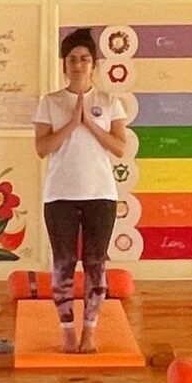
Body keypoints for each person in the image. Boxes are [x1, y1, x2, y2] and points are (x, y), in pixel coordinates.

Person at [33, 28, 130, 354]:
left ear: (94, 64)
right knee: (62, 263)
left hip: (100, 194)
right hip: (59, 194)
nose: (78, 64)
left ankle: (90, 330)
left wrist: (89, 122)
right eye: (72, 59)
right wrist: (71, 123)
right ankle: (66, 331)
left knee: (94, 263)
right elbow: (42, 147)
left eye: (84, 59)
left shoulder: (109, 102)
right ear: (65, 64)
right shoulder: (50, 102)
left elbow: (119, 147)